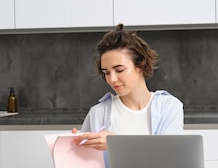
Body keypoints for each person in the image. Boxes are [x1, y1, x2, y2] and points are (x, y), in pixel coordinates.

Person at [76, 23, 184, 151]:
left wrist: (115, 143)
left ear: (140, 66)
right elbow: (82, 165)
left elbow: (168, 157)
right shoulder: (98, 113)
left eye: (119, 70)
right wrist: (72, 145)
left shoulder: (168, 107)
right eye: (106, 73)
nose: (112, 79)